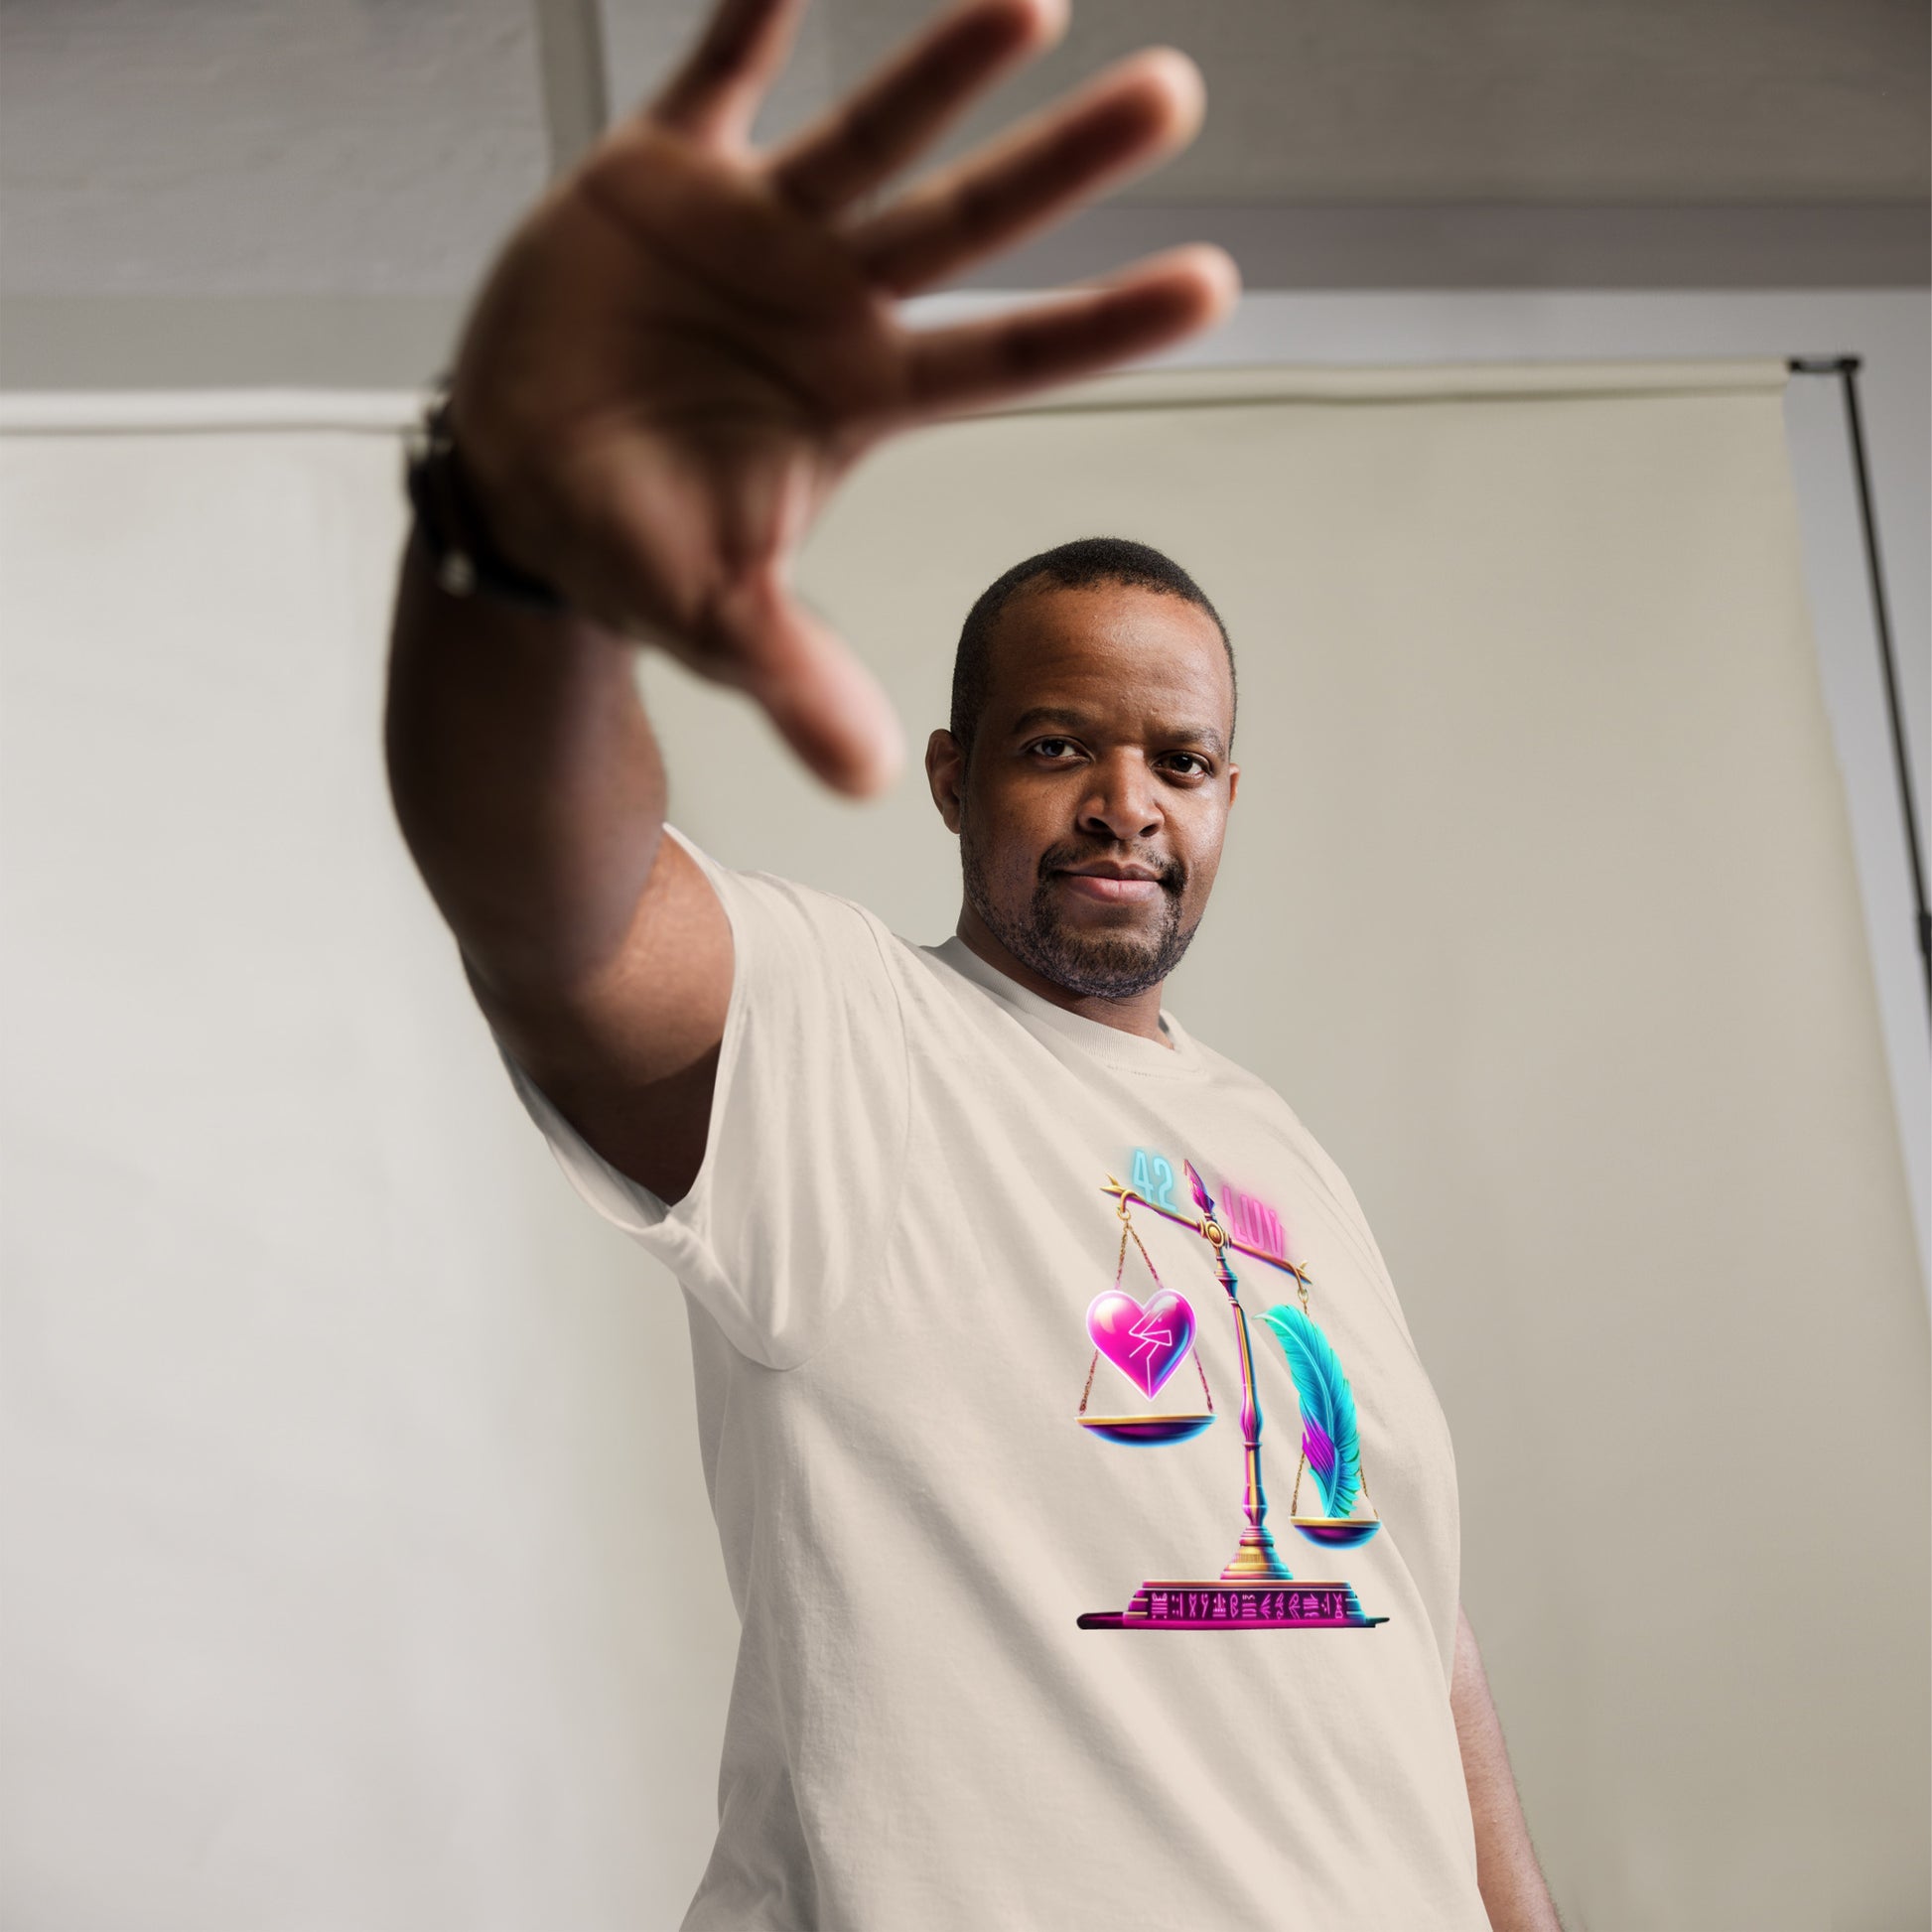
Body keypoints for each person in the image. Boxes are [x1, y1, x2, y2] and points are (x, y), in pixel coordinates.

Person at [383, 0, 1563, 1925]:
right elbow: (554, 912)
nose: (1124, 801)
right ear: (952, 775)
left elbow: (1418, 1634)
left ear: (1229, 796)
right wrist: (522, 543)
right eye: (1054, 745)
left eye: (1176, 761)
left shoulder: (1279, 1154)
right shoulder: (849, 1044)